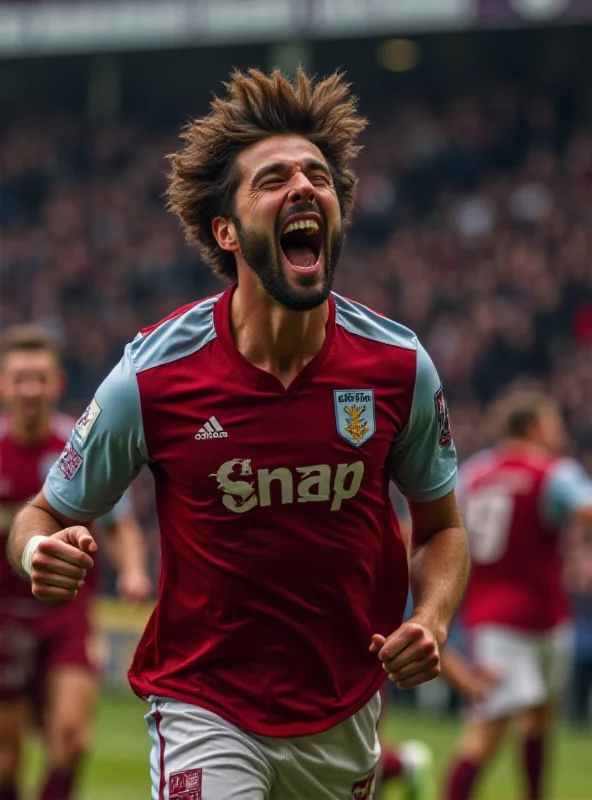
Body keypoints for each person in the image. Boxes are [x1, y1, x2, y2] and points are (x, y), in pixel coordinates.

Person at [8, 68, 469, 800]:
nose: (303, 187)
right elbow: (43, 511)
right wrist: (38, 548)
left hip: (342, 707)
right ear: (226, 230)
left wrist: (435, 620)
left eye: (318, 175)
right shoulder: (152, 376)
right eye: (274, 177)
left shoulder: (399, 366)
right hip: (204, 704)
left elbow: (443, 528)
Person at [0, 324, 152, 800]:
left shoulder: (78, 444)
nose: (30, 390)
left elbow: (120, 523)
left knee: (71, 737)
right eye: (20, 379)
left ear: (57, 384)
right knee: (4, 760)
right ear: (4, 385)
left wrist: (132, 571)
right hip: (3, 618)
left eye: (39, 378)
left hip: (66, 616)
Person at [441, 387, 592, 800]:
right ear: (534, 426)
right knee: (488, 733)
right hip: (539, 617)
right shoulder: (554, 471)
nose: (558, 430)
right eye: (553, 422)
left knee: (537, 719)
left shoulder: (472, 473)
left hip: (492, 615)